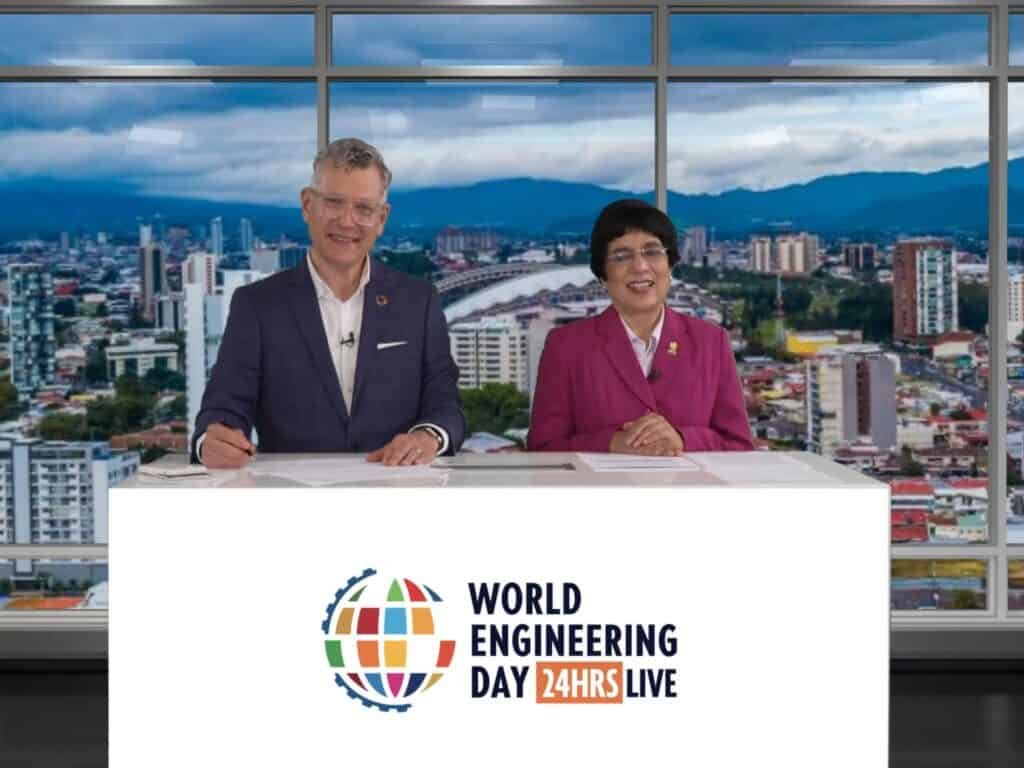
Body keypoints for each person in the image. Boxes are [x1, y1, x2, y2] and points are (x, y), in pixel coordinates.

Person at [193, 138, 465, 468]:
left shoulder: (418, 301)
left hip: (396, 490)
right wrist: (212, 442)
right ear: (308, 205)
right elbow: (223, 408)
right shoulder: (257, 305)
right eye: (334, 203)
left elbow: (445, 403)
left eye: (364, 209)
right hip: (292, 499)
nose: (347, 221)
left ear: (381, 219)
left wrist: (428, 437)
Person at [527, 199, 753, 454]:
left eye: (652, 251)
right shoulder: (566, 346)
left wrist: (683, 440)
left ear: (671, 264)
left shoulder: (712, 341)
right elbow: (543, 448)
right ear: (603, 274)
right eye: (621, 256)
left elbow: (739, 447)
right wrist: (610, 443)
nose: (640, 266)